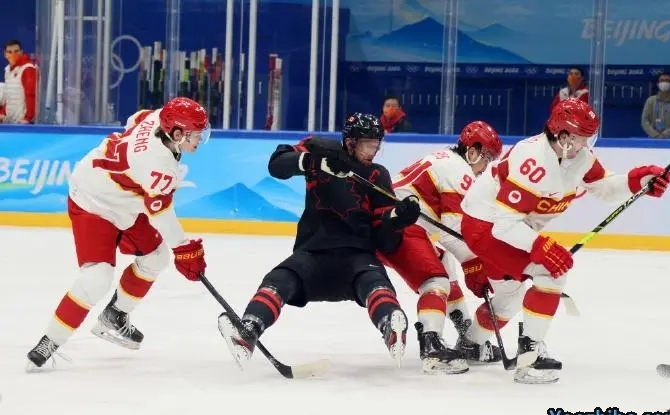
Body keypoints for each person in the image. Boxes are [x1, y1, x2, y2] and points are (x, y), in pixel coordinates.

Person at [459, 98, 670, 384]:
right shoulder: (532, 160)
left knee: (509, 299)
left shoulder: (577, 156)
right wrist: (540, 246)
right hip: (486, 226)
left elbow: (604, 187)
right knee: (551, 272)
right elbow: (504, 225)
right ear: (563, 137)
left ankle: (472, 344)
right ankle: (530, 358)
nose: (587, 145)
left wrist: (638, 182)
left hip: (509, 226)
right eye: (583, 138)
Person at [217, 113, 421, 367]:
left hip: (356, 256)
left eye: (376, 145)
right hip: (312, 253)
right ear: (350, 142)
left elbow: (384, 239)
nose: (373, 152)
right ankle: (248, 331)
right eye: (368, 145)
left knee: (375, 283)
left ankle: (390, 324)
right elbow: (277, 165)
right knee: (278, 280)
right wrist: (314, 162)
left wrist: (398, 219)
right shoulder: (322, 150)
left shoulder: (377, 175)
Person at [26, 97, 211, 370]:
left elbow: (134, 120)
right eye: (195, 134)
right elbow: (161, 213)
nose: (200, 140)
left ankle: (115, 315)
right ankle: (50, 340)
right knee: (96, 279)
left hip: (123, 199)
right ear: (176, 134)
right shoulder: (160, 166)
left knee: (157, 257)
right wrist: (184, 249)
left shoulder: (157, 117)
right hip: (93, 202)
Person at [377, 121, 503, 374]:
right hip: (399, 226)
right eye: (487, 158)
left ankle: (466, 335)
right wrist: (474, 264)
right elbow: (453, 232)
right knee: (436, 282)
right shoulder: (459, 171)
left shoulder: (445, 159)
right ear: (473, 151)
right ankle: (431, 346)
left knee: (446, 267)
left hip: (393, 224)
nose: (485, 168)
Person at [1, 39, 37, 124]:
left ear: (21, 52)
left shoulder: (28, 68)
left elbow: (31, 95)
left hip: (22, 123)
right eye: (10, 52)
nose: (13, 54)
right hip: (9, 121)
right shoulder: (7, 70)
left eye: (16, 51)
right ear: (5, 55)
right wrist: (3, 114)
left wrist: (28, 118)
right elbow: (8, 96)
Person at [641, 72, 670, 139]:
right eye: (662, 80)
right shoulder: (650, 101)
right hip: (652, 139)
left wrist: (665, 135)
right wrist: (655, 135)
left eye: (667, 80)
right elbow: (644, 121)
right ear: (657, 84)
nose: (664, 82)